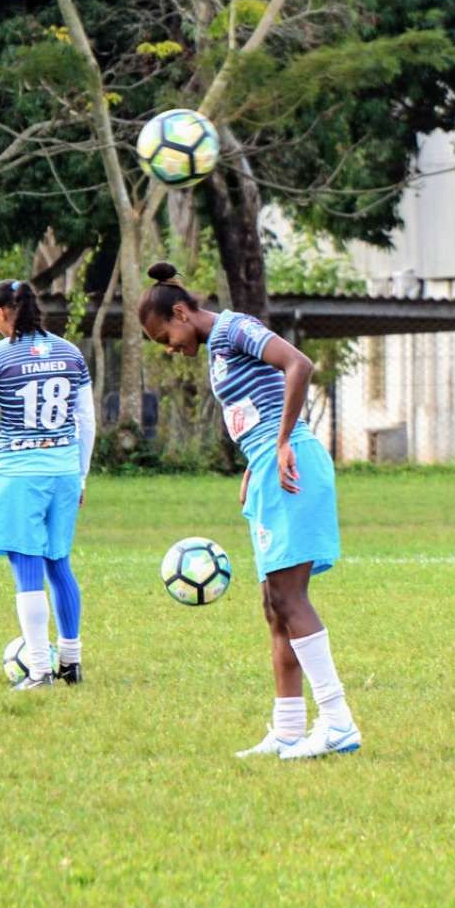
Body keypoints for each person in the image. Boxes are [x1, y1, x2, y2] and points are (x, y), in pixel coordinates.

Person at [138, 262, 361, 760]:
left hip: (291, 465)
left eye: (165, 336)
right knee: (272, 604)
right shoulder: (217, 349)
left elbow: (298, 364)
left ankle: (338, 721)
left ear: (180, 311)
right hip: (267, 468)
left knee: (290, 598)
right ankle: (286, 730)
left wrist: (281, 444)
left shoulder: (235, 328)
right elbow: (255, 410)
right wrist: (254, 461)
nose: (170, 348)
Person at [0, 278, 94, 689]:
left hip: (20, 472)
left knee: (27, 568)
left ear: (2, 312)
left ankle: (39, 669)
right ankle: (70, 662)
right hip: (64, 471)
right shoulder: (71, 353)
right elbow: (87, 420)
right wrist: (81, 474)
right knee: (59, 564)